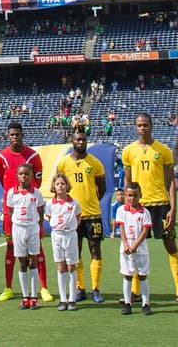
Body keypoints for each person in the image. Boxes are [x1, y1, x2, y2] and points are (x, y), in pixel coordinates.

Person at [121, 112, 178, 304]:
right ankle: (133, 293)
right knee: (134, 246)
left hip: (160, 204)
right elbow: (128, 181)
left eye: (145, 125)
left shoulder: (164, 150)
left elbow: (171, 182)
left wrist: (173, 208)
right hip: (138, 206)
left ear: (151, 126)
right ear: (136, 127)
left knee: (170, 245)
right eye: (139, 125)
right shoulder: (128, 151)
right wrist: (127, 204)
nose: (142, 128)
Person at [0, 121, 51, 303]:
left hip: (31, 210)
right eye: (11, 135)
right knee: (11, 248)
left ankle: (43, 288)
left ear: (22, 135)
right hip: (11, 210)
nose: (15, 137)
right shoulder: (1, 156)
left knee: (37, 250)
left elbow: (38, 182)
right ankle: (8, 288)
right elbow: (3, 182)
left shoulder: (33, 156)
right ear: (8, 136)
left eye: (17, 134)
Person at [54, 128, 106, 303]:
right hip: (71, 217)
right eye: (77, 139)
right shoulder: (63, 163)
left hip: (92, 214)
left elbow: (102, 188)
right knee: (75, 253)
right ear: (72, 142)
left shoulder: (95, 163)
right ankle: (80, 287)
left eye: (83, 139)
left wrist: (91, 201)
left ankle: (96, 289)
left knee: (95, 251)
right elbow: (58, 186)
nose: (81, 142)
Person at [6, 163, 44, 309]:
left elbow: (40, 211)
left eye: (27, 174)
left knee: (33, 261)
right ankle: (25, 296)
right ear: (17, 176)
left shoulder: (36, 193)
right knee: (22, 262)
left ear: (31, 176)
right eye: (21, 174)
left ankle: (34, 297)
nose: (24, 176)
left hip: (32, 228)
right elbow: (10, 211)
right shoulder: (11, 193)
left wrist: (38, 227)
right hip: (18, 228)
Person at [45, 172, 81, 311]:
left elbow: (78, 217)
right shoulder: (50, 204)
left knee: (71, 266)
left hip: (70, 235)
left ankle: (72, 298)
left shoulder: (74, 203)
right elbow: (48, 216)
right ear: (54, 186)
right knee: (61, 266)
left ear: (67, 186)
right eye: (58, 183)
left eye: (63, 184)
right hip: (57, 236)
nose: (60, 186)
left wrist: (72, 227)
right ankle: (63, 299)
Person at [117, 181, 152, 316]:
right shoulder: (121, 211)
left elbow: (145, 231)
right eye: (129, 195)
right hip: (126, 249)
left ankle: (145, 303)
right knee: (127, 275)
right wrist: (126, 244)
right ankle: (127, 303)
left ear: (140, 195)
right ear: (126, 195)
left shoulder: (145, 212)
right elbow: (122, 228)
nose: (132, 198)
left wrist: (135, 245)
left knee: (143, 275)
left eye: (135, 195)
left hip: (140, 249)